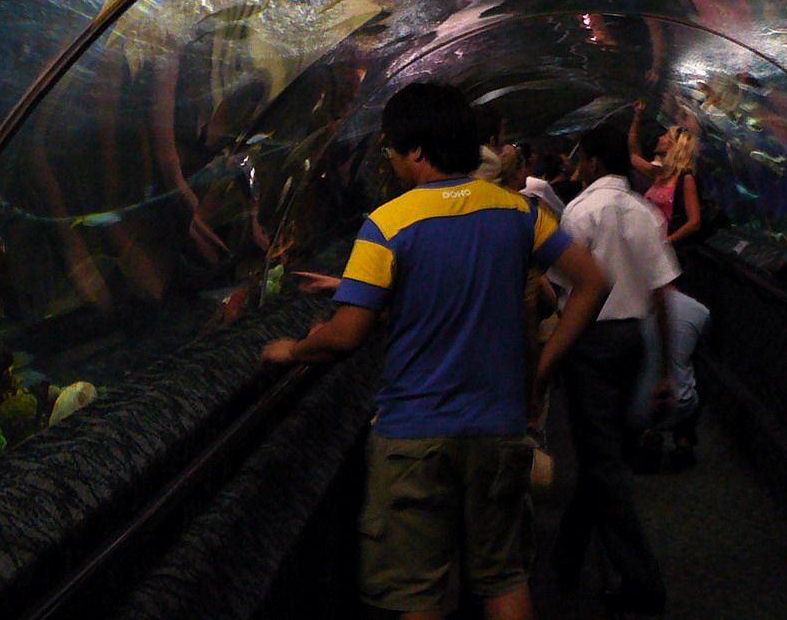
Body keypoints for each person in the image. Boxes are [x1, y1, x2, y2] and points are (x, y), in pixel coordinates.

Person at [262, 81, 609, 620]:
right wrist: (542, 369)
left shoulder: (387, 224)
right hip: (498, 427)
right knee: (504, 578)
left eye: (391, 148)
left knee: (417, 592)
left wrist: (292, 350)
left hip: (414, 432)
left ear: (418, 150)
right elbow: (592, 283)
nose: (390, 159)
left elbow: (347, 333)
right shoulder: (518, 213)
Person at [550, 124, 680, 616]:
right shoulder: (645, 213)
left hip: (589, 342)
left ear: (591, 162)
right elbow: (664, 293)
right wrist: (666, 367)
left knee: (603, 462)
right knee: (605, 456)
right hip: (633, 340)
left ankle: (642, 581)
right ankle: (568, 553)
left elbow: (563, 289)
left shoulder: (579, 212)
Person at [628, 283, 710, 472]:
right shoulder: (700, 311)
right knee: (698, 370)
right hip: (680, 401)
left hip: (639, 402)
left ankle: (648, 435)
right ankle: (684, 441)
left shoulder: (633, 306)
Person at [629, 102, 702, 245]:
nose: (660, 138)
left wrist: (666, 242)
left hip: (660, 244)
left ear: (673, 146)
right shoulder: (659, 173)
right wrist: (637, 118)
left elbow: (694, 222)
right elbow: (633, 154)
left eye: (665, 136)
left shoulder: (686, 179)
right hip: (644, 240)